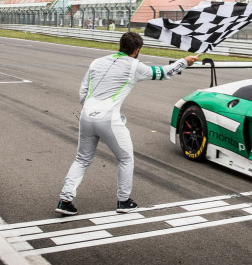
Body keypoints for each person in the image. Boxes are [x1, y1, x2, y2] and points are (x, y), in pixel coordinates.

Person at [55, 32, 200, 215]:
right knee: (125, 159)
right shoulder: (135, 66)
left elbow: (83, 92)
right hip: (108, 118)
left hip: (86, 116)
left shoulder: (96, 62)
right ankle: (123, 201)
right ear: (137, 50)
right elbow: (163, 73)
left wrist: (90, 110)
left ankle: (64, 200)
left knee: (82, 159)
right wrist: (184, 62)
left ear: (121, 45)